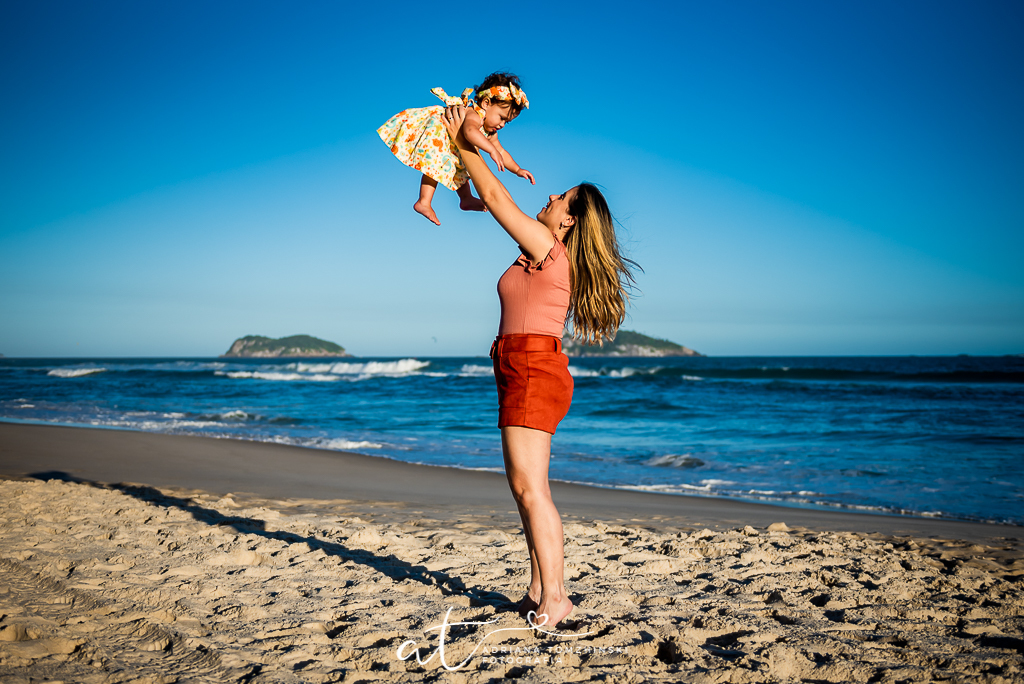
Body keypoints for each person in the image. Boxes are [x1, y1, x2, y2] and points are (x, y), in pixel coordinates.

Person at [442, 103, 637, 628]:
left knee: (530, 489)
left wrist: (464, 140)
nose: (550, 197)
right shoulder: (545, 252)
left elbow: (498, 198)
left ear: (569, 219)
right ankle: (537, 589)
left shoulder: (549, 247)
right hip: (522, 366)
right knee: (525, 488)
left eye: (561, 198)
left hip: (532, 368)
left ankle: (556, 598)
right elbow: (492, 201)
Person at [377, 72, 535, 226]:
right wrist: (490, 150)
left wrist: (517, 169)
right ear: (486, 103)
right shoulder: (474, 114)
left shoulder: (490, 131)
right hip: (441, 135)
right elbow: (470, 132)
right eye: (501, 118)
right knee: (434, 166)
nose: (501, 125)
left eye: (506, 122)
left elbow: (501, 151)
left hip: (455, 147)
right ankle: (424, 201)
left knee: (464, 165)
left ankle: (465, 199)